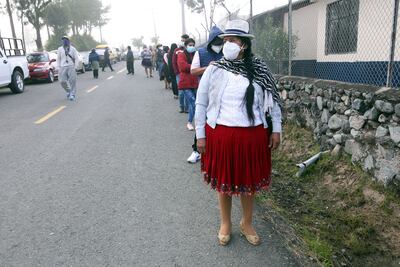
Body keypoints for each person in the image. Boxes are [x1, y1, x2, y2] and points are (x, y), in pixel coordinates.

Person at [195, 20, 282, 246]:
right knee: (224, 181)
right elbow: (201, 103)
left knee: (248, 182)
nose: (227, 45)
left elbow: (273, 104)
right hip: (221, 135)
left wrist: (277, 130)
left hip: (253, 136)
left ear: (243, 44)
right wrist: (200, 134)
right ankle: (226, 222)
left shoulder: (260, 69)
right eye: (225, 41)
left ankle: (247, 222)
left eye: (232, 40)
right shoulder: (215, 69)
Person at [187, 26, 224, 164]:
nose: (219, 43)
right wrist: (208, 67)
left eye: (221, 40)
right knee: (202, 120)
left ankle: (217, 151)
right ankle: (196, 150)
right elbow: (193, 71)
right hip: (206, 92)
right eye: (216, 40)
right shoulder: (201, 53)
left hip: (223, 93)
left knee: (219, 122)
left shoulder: (227, 52)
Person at [177, 38, 198, 131]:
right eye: (190, 45)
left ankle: (192, 122)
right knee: (193, 102)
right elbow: (182, 67)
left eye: (193, 45)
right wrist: (195, 67)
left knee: (194, 103)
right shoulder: (181, 55)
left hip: (195, 83)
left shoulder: (196, 54)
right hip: (185, 83)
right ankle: (191, 122)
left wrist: (194, 67)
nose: (192, 47)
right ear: (185, 46)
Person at [57, 36, 79, 101]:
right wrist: (58, 66)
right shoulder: (60, 49)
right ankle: (68, 90)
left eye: (66, 40)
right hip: (63, 66)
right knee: (62, 81)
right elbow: (58, 58)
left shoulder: (73, 49)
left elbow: (76, 58)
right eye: (63, 40)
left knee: (72, 81)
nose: (64, 41)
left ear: (69, 41)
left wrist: (76, 66)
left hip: (71, 66)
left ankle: (72, 94)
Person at [173, 34, 190, 113]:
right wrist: (177, 72)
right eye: (182, 40)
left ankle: (186, 108)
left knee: (187, 91)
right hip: (179, 74)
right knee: (181, 91)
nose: (183, 42)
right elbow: (173, 62)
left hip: (188, 73)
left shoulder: (190, 50)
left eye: (184, 40)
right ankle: (181, 107)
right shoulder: (177, 50)